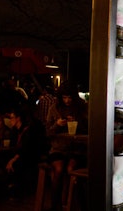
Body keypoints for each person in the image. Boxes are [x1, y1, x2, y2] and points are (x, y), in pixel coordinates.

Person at [46, 80, 88, 208]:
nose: (67, 100)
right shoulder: (54, 108)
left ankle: (77, 204)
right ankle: (55, 205)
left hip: (77, 149)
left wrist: (78, 122)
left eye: (70, 97)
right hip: (58, 149)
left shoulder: (82, 107)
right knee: (58, 169)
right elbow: (47, 132)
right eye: (64, 97)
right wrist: (57, 125)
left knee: (71, 169)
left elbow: (89, 128)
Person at [5, 108, 47, 197]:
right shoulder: (14, 131)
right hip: (20, 155)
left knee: (17, 163)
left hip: (29, 156)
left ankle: (17, 190)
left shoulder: (28, 130)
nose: (10, 120)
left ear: (18, 118)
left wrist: (13, 159)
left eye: (12, 118)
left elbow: (26, 148)